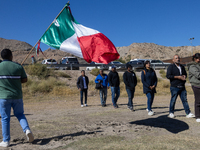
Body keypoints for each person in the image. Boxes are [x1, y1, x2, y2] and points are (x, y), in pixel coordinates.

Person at [0, 49, 34, 147]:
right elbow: (24, 80)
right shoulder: (18, 66)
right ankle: (27, 130)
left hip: (3, 97)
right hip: (17, 96)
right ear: (11, 56)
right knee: (20, 114)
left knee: (5, 118)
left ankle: (6, 141)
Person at [187, 53, 200, 122]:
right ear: (195, 59)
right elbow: (198, 75)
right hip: (196, 85)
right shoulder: (192, 66)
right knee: (198, 101)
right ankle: (198, 116)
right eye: (198, 58)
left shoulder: (199, 65)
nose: (199, 60)